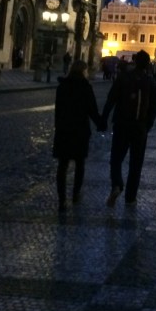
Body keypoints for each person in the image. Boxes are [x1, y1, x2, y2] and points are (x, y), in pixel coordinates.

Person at [103, 50, 156, 207]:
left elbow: (110, 99)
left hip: (121, 124)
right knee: (136, 163)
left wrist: (104, 119)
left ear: (134, 61)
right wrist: (148, 124)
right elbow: (154, 106)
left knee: (116, 158)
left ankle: (117, 184)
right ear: (147, 64)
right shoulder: (150, 81)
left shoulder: (123, 78)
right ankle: (131, 197)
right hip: (140, 126)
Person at [53, 60, 102, 212]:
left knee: (62, 165)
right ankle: (75, 194)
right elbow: (92, 110)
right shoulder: (85, 87)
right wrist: (101, 123)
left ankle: (62, 200)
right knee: (80, 164)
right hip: (80, 130)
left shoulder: (62, 86)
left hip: (64, 130)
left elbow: (58, 110)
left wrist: (58, 126)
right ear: (83, 71)